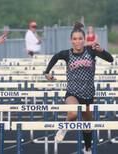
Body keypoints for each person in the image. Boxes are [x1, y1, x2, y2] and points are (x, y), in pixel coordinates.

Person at [43, 22, 113, 153]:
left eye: (80, 38)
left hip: (88, 94)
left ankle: (87, 148)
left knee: (87, 124)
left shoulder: (91, 51)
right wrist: (47, 72)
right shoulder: (66, 54)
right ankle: (64, 128)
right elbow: (55, 57)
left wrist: (101, 50)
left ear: (84, 39)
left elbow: (110, 60)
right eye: (74, 39)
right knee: (73, 112)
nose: (77, 41)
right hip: (72, 92)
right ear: (71, 41)